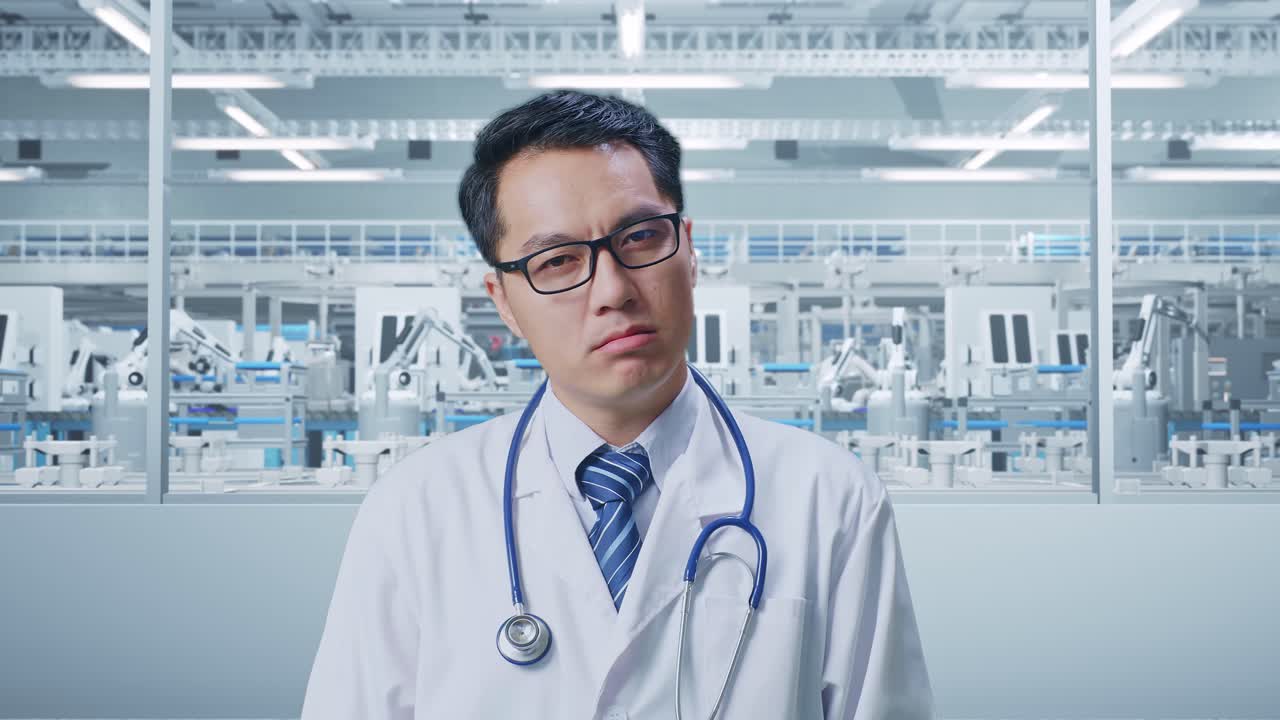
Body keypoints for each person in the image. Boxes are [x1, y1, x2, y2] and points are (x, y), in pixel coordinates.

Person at [301, 90, 934, 719]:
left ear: (688, 250)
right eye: (557, 260)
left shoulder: (831, 498)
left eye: (639, 237)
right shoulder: (415, 509)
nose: (612, 290)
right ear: (503, 302)